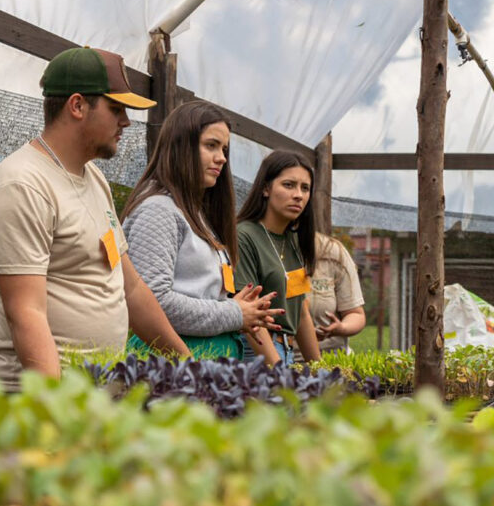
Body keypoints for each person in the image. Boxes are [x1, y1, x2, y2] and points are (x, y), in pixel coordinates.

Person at [0, 46, 189, 391]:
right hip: (28, 407)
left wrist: (189, 366)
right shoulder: (21, 185)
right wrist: (59, 416)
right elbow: (27, 313)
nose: (126, 122)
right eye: (116, 109)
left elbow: (130, 287)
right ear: (77, 105)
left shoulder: (94, 179)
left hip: (89, 405)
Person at [121, 101, 281, 359]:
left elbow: (196, 293)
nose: (222, 158)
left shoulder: (196, 213)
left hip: (205, 364)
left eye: (224, 149)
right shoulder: (158, 210)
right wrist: (235, 313)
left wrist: (242, 308)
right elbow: (154, 303)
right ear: (180, 145)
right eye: (211, 145)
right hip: (169, 365)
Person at [234, 151, 322, 365]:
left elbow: (301, 313)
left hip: (286, 351)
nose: (298, 195)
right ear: (266, 188)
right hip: (255, 352)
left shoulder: (292, 240)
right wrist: (277, 370)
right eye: (289, 185)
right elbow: (249, 313)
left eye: (305, 188)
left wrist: (321, 372)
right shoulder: (244, 236)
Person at [304, 232, 366, 356]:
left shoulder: (332, 251)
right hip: (278, 360)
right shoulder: (262, 248)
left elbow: (355, 313)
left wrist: (341, 328)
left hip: (330, 357)